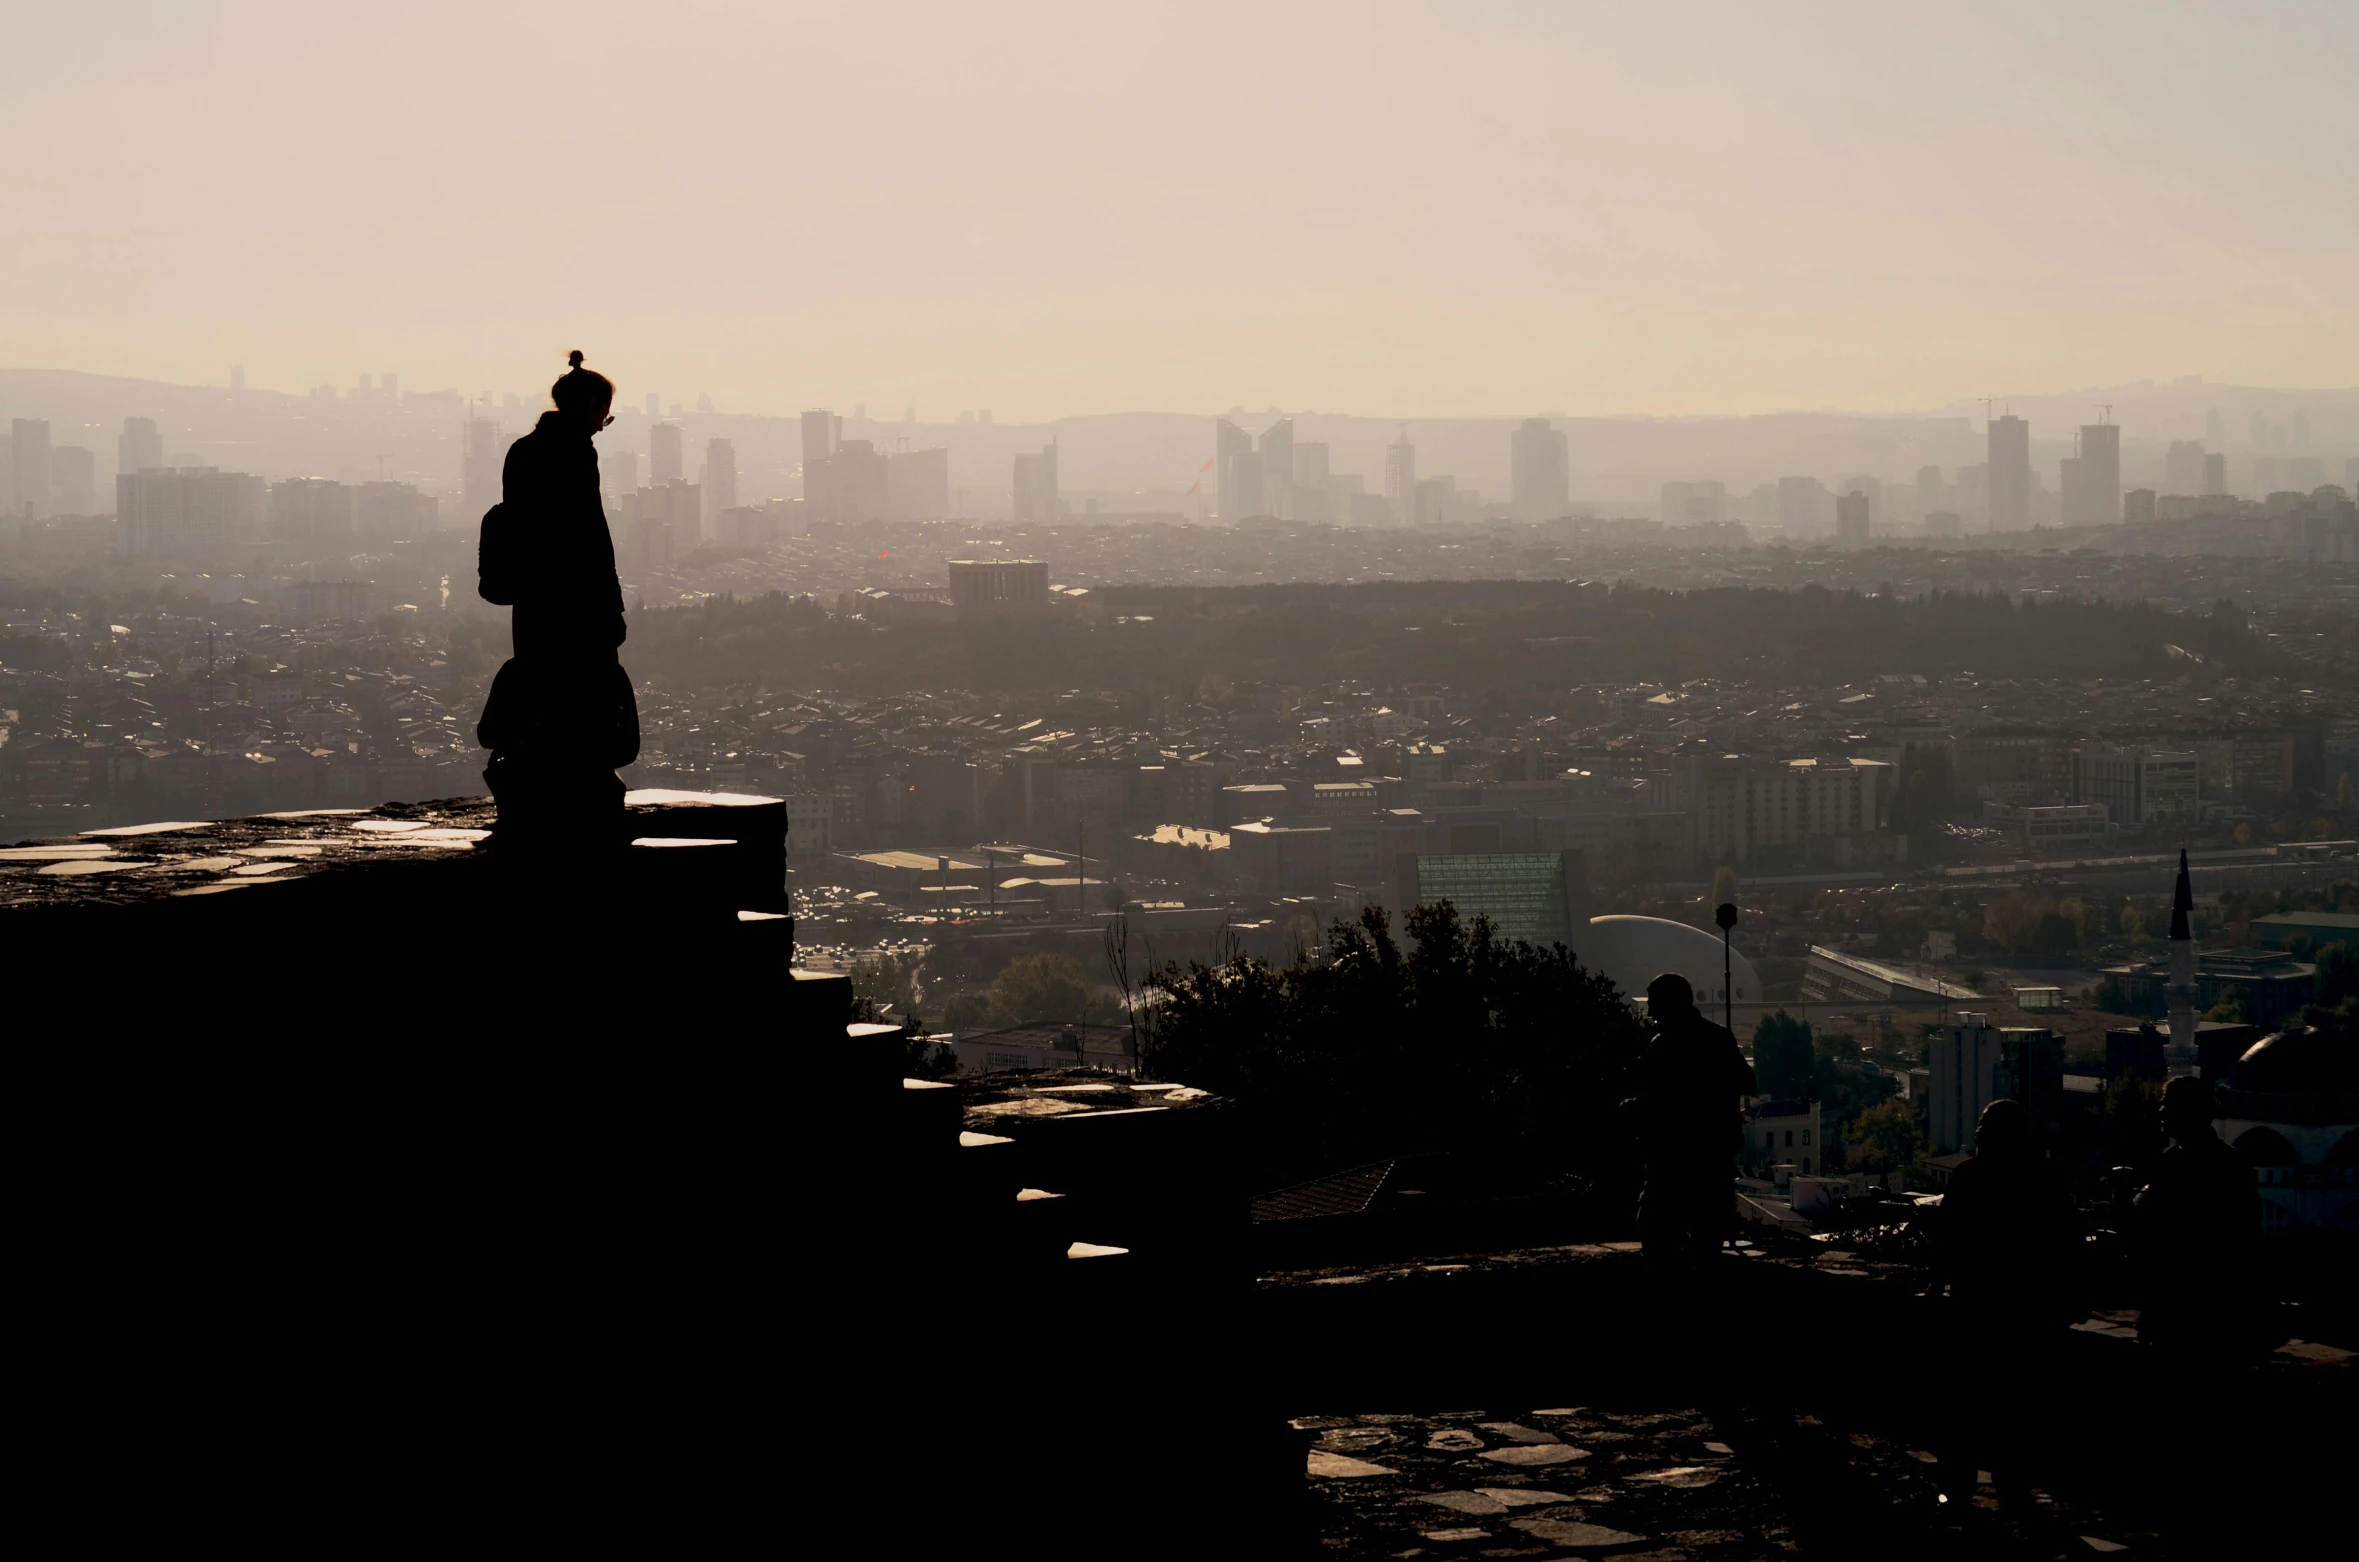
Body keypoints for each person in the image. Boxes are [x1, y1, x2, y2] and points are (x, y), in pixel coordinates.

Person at [476, 350, 640, 850]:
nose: (602, 427)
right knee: (582, 699)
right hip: (576, 602)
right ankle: (578, 802)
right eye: (603, 415)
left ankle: (538, 790)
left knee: (542, 688)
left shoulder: (522, 449)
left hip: (533, 601)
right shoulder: (574, 448)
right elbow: (589, 536)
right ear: (591, 404)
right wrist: (610, 607)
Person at [1932, 1096, 2079, 1514]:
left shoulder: (1970, 1177)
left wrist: (1938, 1287)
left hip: (1983, 1313)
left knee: (1971, 1410)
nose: (1978, 1137)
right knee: (2010, 1410)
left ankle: (1965, 1488)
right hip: (2019, 1315)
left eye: (1985, 1131)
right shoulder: (2046, 1180)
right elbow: (2068, 1246)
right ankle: (2005, 1488)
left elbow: (1946, 1242)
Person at [1629, 972, 1757, 1263]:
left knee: (1659, 1233)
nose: (1649, 1012)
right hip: (1713, 1153)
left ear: (1670, 1004)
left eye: (1654, 1004)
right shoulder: (1719, 1037)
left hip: (1673, 1156)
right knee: (1707, 1234)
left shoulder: (1662, 1046)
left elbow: (1653, 1100)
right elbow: (1747, 1082)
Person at [2135, 1076, 2261, 1359]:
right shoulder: (2172, 1160)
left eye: (2168, 1105)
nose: (2162, 1112)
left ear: (2190, 1111)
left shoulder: (2226, 1167)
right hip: (2175, 1311)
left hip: (2205, 1315)